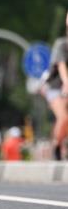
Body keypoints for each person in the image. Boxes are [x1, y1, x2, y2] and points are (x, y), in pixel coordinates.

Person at [42, 12, 68, 160]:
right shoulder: (61, 44)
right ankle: (56, 146)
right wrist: (66, 83)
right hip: (54, 87)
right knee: (63, 117)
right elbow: (61, 66)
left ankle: (62, 143)